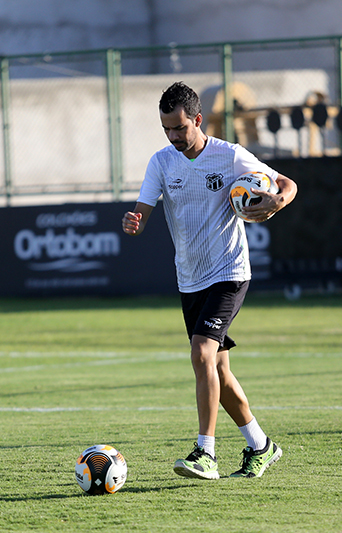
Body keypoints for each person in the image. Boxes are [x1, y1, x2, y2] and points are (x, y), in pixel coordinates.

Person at [121, 81, 298, 479]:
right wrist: (134, 223)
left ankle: (206, 452)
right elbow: (142, 211)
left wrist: (275, 201)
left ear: (198, 120)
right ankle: (261, 445)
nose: (173, 136)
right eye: (166, 129)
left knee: (202, 354)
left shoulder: (230, 156)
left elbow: (288, 185)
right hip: (190, 279)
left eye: (179, 128)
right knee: (218, 369)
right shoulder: (162, 162)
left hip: (229, 273)